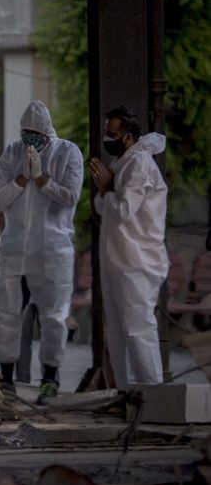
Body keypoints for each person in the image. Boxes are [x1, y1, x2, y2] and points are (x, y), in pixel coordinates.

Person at [0, 100, 83, 400]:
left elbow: (70, 197)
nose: (29, 137)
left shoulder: (68, 152)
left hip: (53, 250)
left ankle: (50, 378)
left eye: (34, 132)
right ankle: (6, 378)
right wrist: (22, 178)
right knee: (6, 314)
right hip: (15, 249)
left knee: (53, 316)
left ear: (46, 131)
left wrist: (42, 178)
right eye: (25, 131)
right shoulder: (12, 152)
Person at [89, 107, 168, 388]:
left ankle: (151, 399)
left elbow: (124, 211)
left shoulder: (140, 165)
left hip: (137, 262)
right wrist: (103, 190)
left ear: (128, 137)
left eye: (112, 133)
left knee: (137, 332)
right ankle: (124, 396)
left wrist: (109, 188)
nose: (107, 138)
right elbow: (103, 208)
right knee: (119, 335)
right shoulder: (123, 162)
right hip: (118, 261)